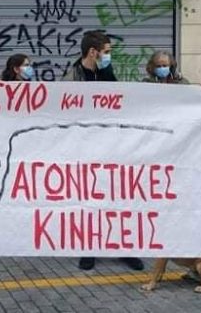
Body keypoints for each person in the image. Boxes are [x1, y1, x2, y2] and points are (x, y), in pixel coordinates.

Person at [62, 29, 144, 272]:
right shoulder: (72, 78)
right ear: (93, 52)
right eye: (106, 52)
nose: (109, 56)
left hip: (112, 146)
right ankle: (89, 247)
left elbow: (118, 100)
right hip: (85, 147)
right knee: (89, 199)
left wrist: (107, 72)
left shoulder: (106, 72)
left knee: (118, 197)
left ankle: (124, 246)